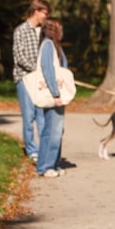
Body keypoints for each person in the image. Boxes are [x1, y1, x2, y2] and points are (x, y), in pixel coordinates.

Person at [13, 0, 50, 162]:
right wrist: (36, 69)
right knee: (28, 116)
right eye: (45, 13)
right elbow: (19, 57)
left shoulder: (44, 32)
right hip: (24, 78)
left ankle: (44, 149)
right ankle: (32, 150)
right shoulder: (21, 30)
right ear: (36, 11)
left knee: (42, 115)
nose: (46, 17)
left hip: (40, 80)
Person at [35, 17, 68, 178]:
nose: (62, 32)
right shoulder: (48, 45)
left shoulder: (54, 46)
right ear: (54, 30)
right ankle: (46, 166)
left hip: (58, 93)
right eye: (60, 29)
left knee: (55, 130)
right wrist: (56, 93)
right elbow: (48, 70)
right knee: (52, 131)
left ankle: (52, 164)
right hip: (53, 94)